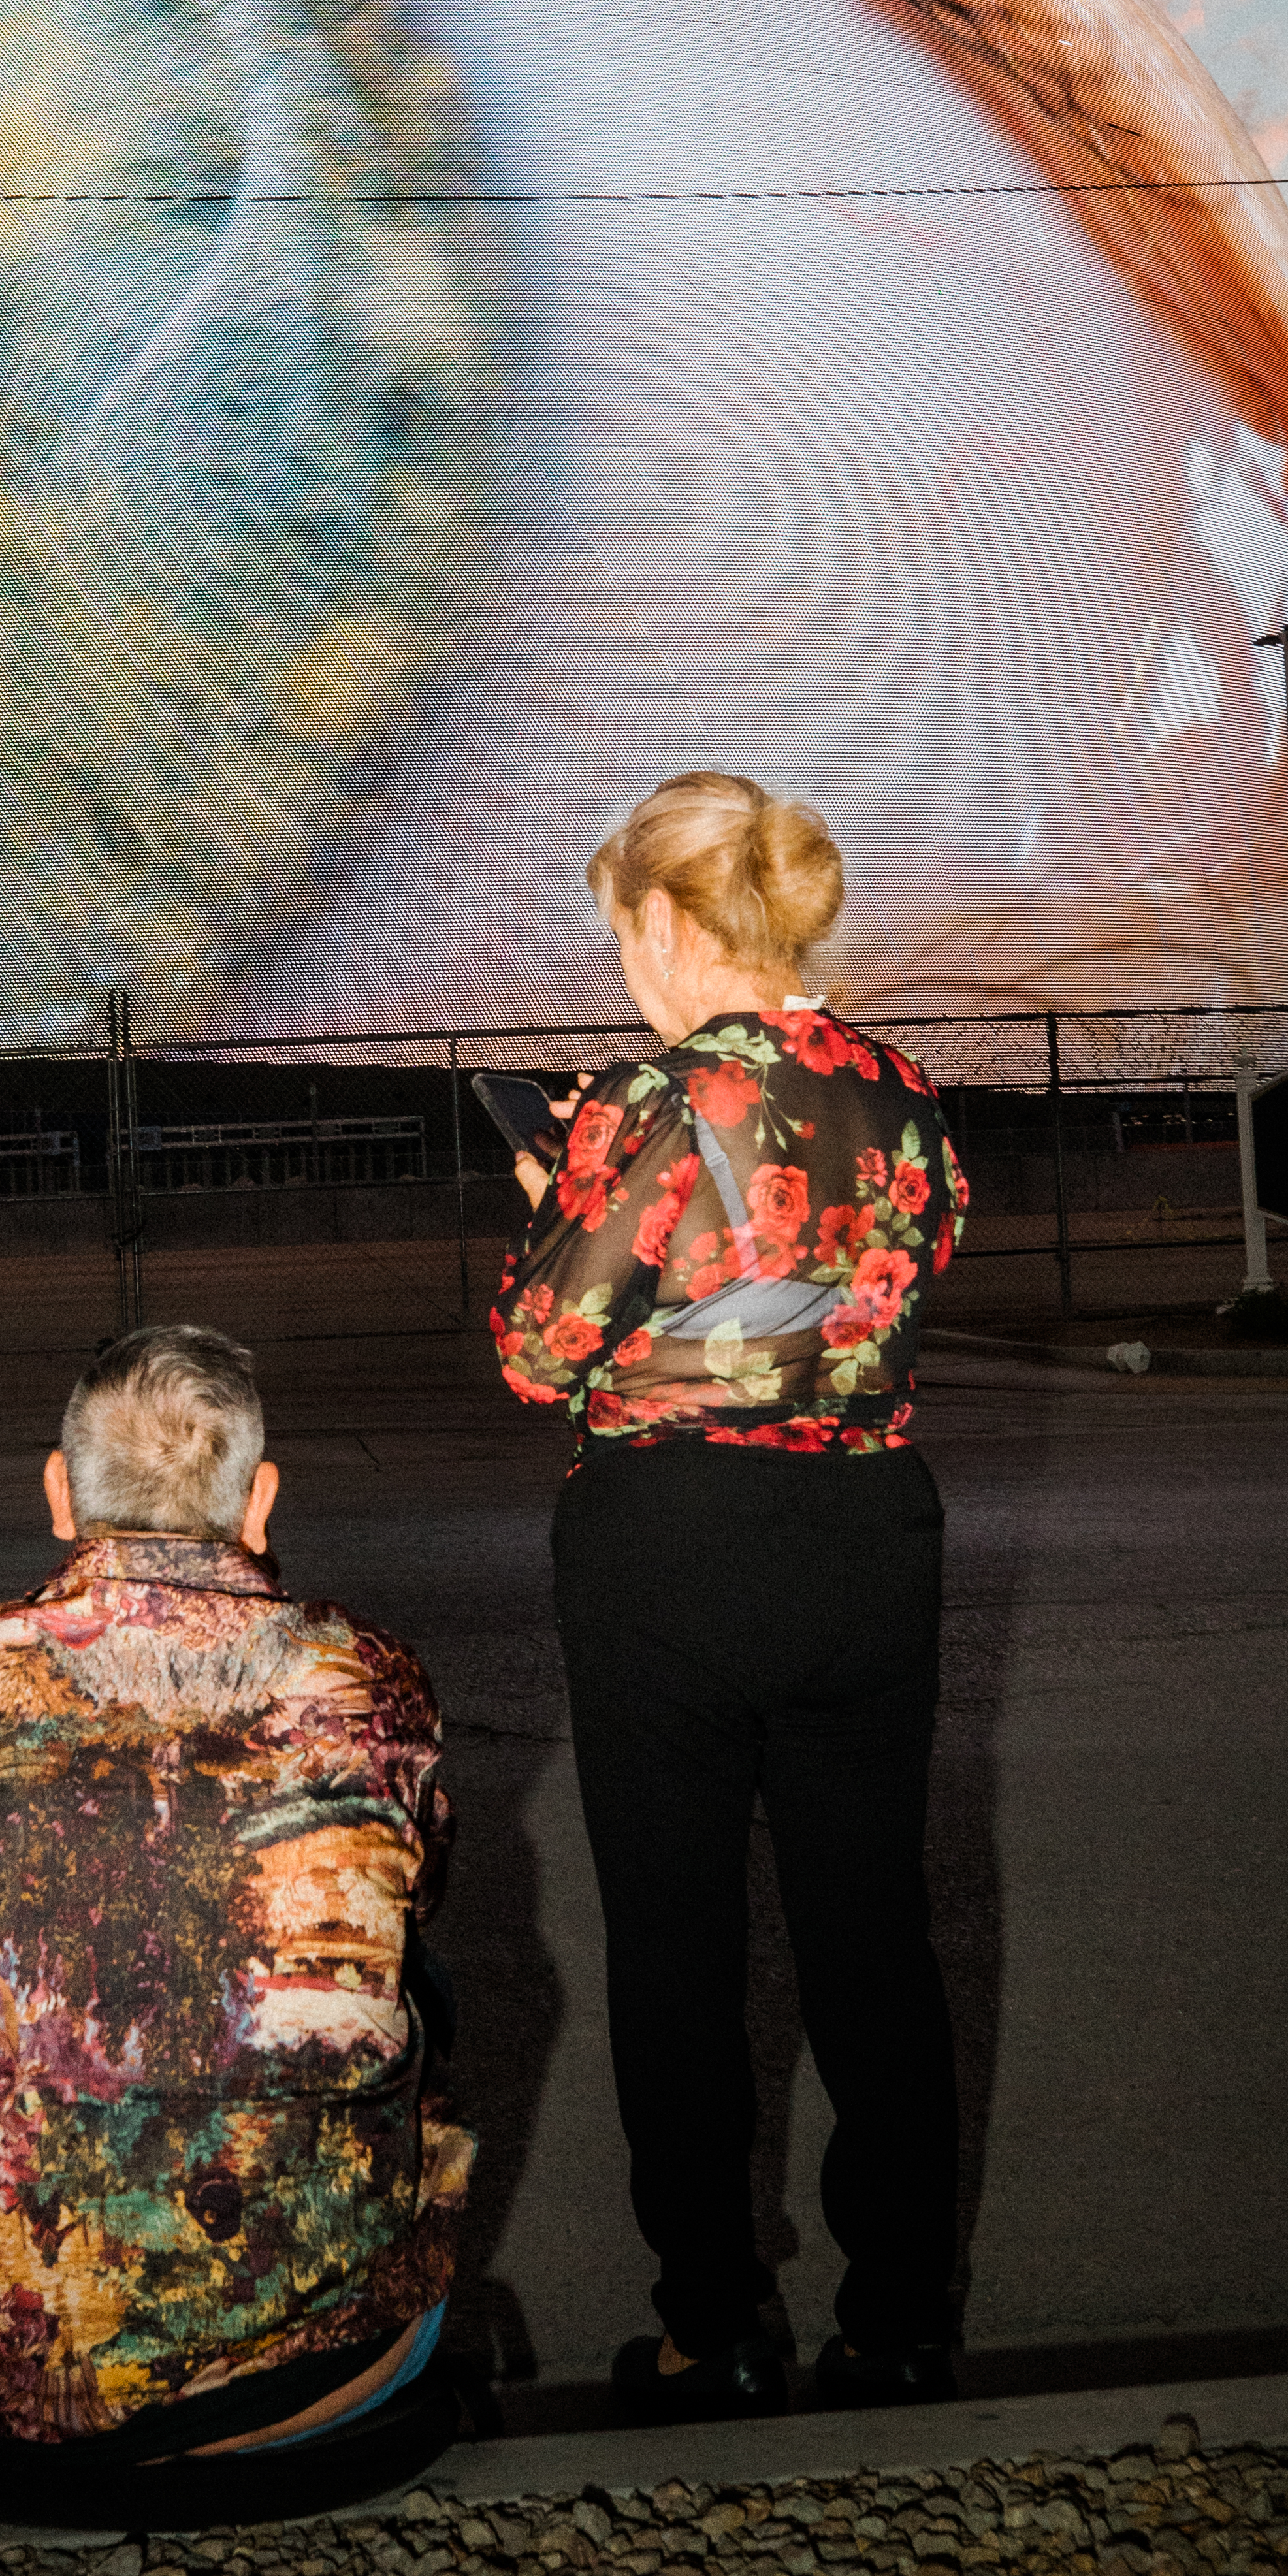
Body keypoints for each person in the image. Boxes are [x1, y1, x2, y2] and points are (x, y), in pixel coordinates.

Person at [491, 769, 970, 2423]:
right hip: (863, 1535)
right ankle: (904, 2314)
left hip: (670, 1549)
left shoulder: (648, 1098)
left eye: (624, 922)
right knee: (870, 1942)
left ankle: (720, 2319)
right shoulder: (904, 1093)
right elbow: (868, 1294)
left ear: (673, 922)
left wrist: (560, 1199)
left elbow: (539, 1344)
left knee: (678, 1952)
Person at [0, 1321, 470, 2477]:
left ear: (59, 1490)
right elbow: (416, 1902)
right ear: (259, 1500)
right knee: (412, 1980)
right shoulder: (369, 1682)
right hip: (319, 2369)